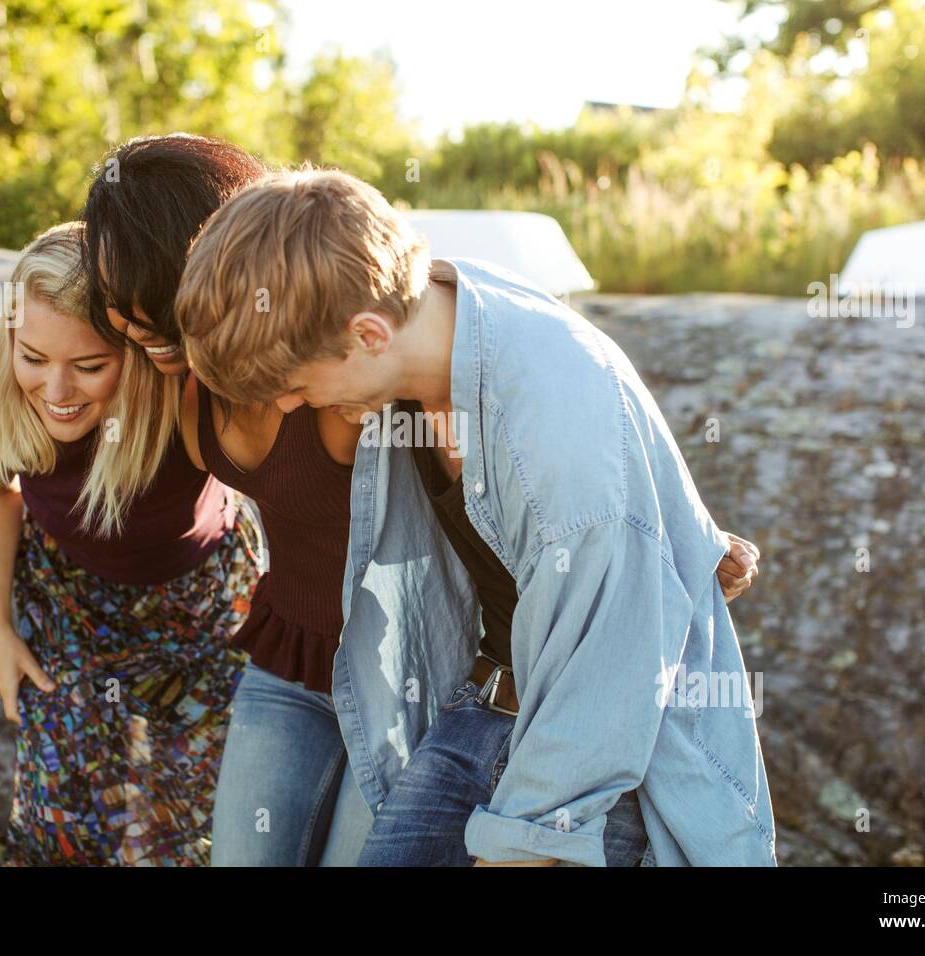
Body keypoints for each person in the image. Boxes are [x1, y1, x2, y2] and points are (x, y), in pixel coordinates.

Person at [81, 134, 762, 866]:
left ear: (365, 336)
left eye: (299, 388)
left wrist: (523, 845)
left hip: (601, 742)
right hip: (478, 702)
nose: (289, 404)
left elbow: (600, 683)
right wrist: (680, 522)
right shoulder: (424, 320)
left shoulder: (549, 433)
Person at [0, 221, 259, 865]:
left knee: (184, 829)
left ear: (138, 353)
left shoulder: (188, 407)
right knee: (60, 818)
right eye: (33, 358)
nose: (57, 392)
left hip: (202, 609)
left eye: (89, 366)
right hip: (70, 607)